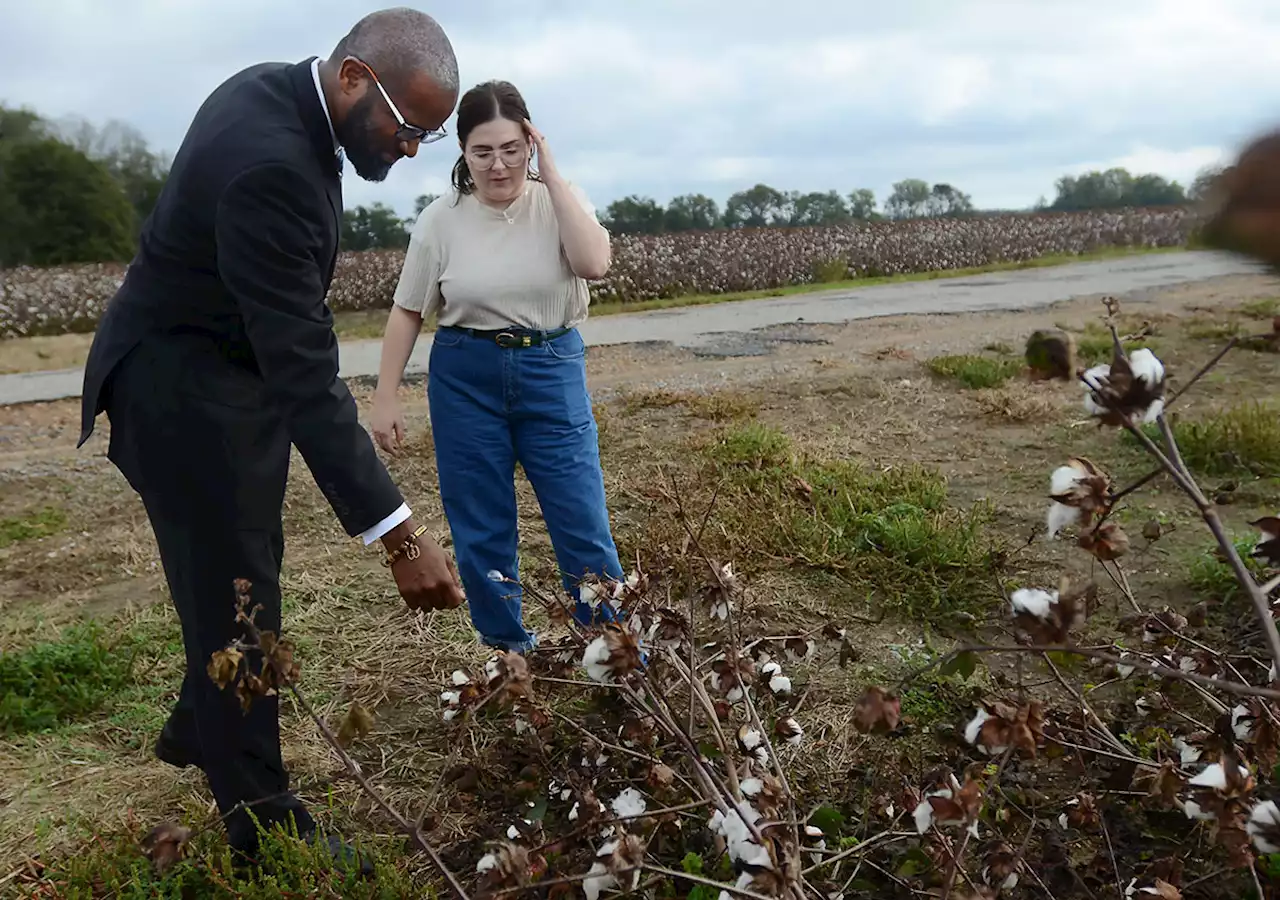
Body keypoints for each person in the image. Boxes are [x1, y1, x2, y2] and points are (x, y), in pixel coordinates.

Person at [77, 7, 466, 872]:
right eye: (408, 129)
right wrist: (400, 535)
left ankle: (198, 725)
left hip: (217, 378)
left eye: (429, 138)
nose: (410, 152)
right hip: (180, 400)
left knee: (241, 575)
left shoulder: (273, 89)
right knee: (242, 610)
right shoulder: (270, 164)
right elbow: (306, 375)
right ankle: (265, 827)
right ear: (355, 78)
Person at [370, 80, 623, 654]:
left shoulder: (560, 200)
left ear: (531, 143)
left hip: (551, 365)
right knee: (482, 530)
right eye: (482, 151)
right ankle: (509, 653)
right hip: (465, 376)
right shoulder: (441, 219)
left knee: (581, 519)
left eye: (512, 148)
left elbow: (593, 262)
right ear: (463, 151)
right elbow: (408, 310)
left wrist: (552, 177)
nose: (498, 164)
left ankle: (611, 652)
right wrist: (385, 396)